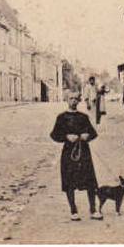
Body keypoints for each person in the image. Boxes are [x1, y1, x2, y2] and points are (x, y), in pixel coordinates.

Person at [50, 90, 101, 221]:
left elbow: (93, 133)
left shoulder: (83, 117)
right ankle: (73, 210)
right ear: (66, 100)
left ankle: (93, 209)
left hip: (84, 152)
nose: (73, 101)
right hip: (68, 153)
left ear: (79, 101)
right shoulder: (61, 117)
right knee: (69, 182)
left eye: (75, 99)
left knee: (90, 181)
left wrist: (87, 136)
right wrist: (66, 136)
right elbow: (54, 135)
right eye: (70, 98)